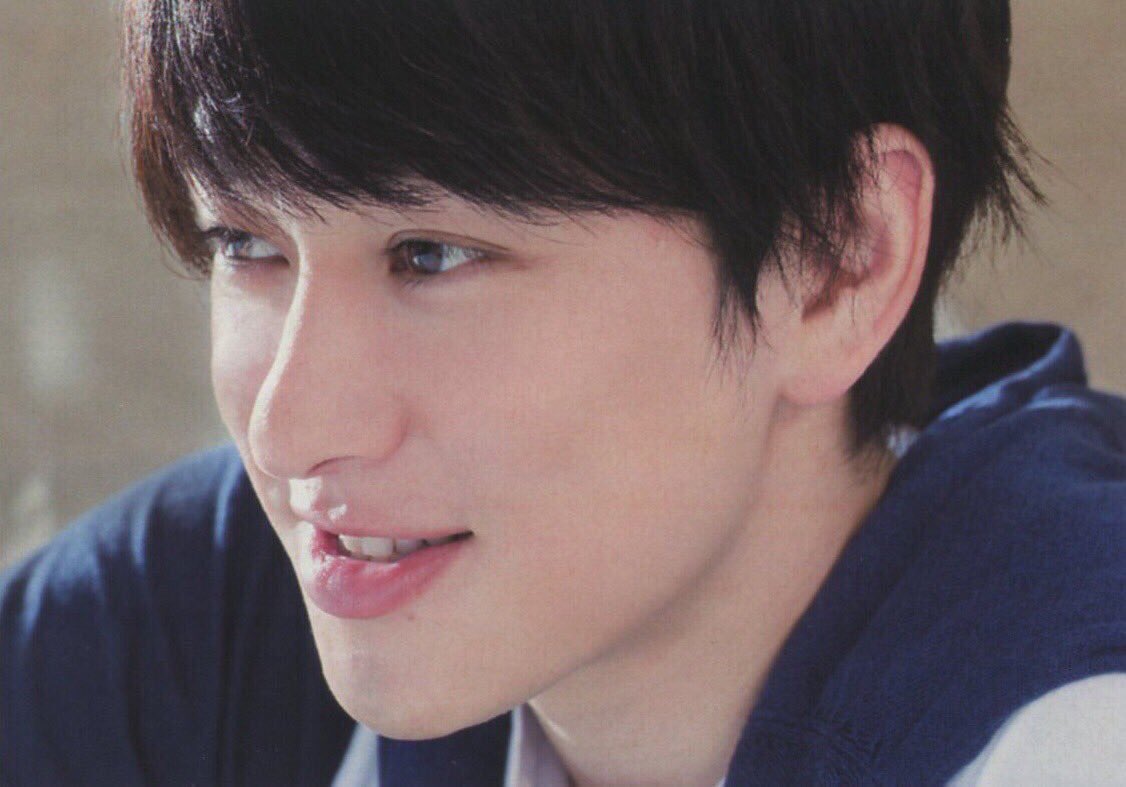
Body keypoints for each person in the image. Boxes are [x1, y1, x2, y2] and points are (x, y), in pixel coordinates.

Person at [2, 1, 1124, 784]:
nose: (291, 427)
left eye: (430, 255)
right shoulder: (226, 619)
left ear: (838, 263)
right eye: (246, 245)